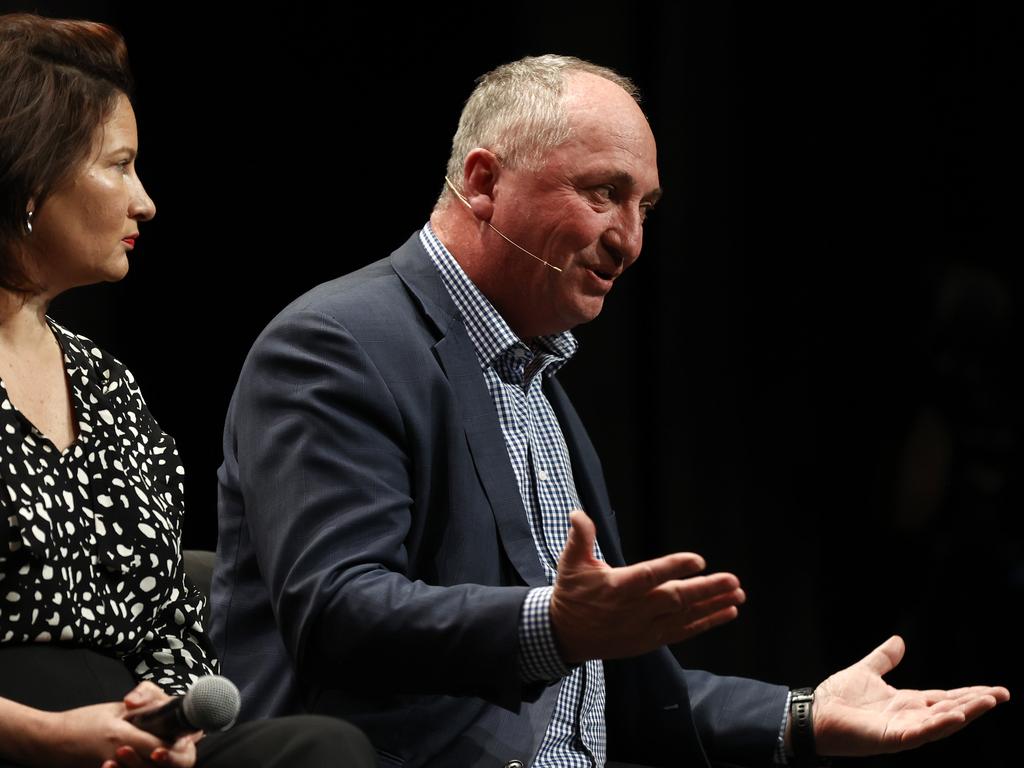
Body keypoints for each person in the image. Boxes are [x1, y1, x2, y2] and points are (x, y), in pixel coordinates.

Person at [211, 55, 1009, 767]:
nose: (628, 241)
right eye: (604, 193)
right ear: (484, 181)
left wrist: (803, 715)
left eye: (646, 209)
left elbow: (606, 699)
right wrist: (554, 627)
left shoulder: (536, 380)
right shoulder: (339, 341)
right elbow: (337, 610)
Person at [0, 13, 377, 768]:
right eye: (119, 165)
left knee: (323, 748)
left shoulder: (106, 386)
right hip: (20, 739)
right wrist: (42, 734)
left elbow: (170, 618)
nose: (145, 202)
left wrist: (172, 718)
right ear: (32, 179)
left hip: (128, 748)